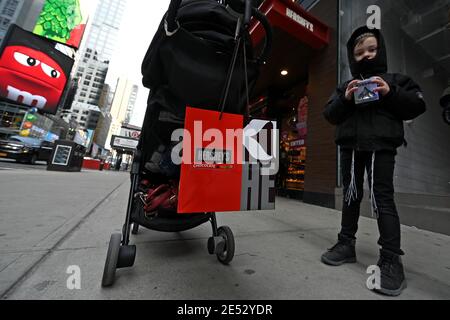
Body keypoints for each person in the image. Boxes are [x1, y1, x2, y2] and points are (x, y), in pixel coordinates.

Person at [322, 26, 426, 296]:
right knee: (350, 196)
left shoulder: (395, 79)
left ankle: (391, 259)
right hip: (351, 148)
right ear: (351, 57)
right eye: (359, 52)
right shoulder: (346, 86)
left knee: (382, 198)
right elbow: (330, 115)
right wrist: (345, 99)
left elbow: (416, 104)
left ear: (381, 51)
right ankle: (346, 244)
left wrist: (390, 92)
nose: (366, 55)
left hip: (381, 147)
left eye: (372, 49)